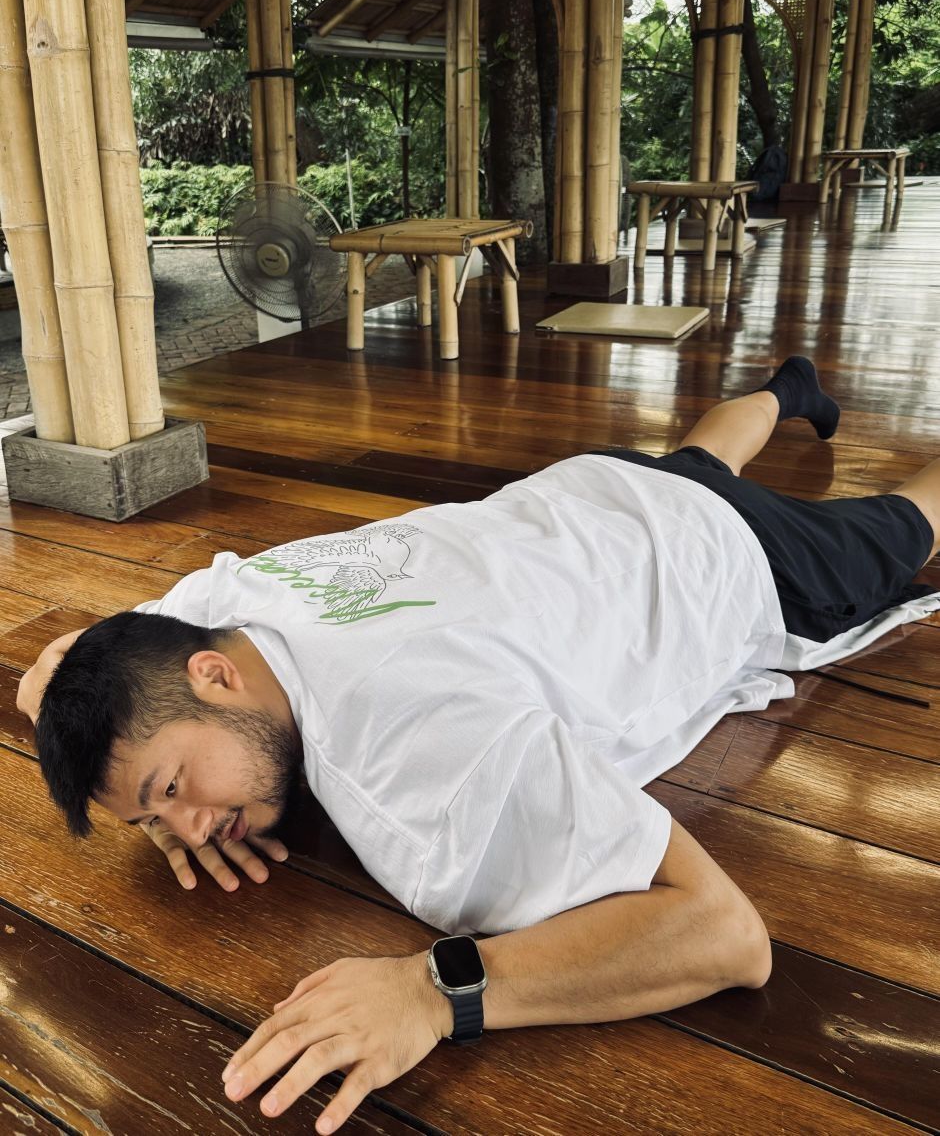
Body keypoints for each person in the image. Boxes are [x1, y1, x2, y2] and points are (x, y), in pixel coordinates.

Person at [16, 357, 940, 1134]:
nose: (190, 824)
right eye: (157, 814)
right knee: (697, 461)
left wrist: (436, 992)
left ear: (214, 678)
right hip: (594, 491)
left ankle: (818, 422)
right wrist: (153, 794)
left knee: (911, 518)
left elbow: (726, 935)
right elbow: (53, 673)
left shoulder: (420, 772)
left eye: (173, 786)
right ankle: (787, 389)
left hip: (733, 557)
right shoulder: (212, 612)